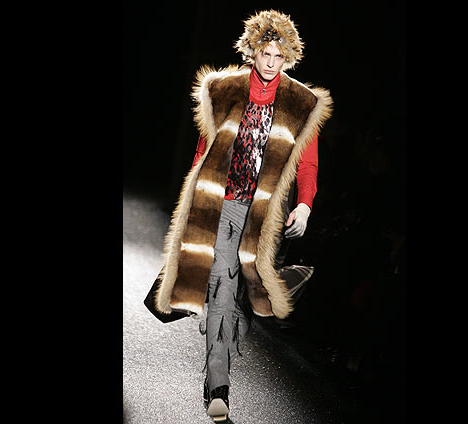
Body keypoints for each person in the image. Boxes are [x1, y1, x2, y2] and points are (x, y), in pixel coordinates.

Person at [144, 9, 333, 422]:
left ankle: (230, 326)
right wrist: (191, 203)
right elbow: (204, 151)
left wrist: (305, 204)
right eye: (265, 53)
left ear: (288, 57)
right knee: (221, 288)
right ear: (252, 51)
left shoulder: (301, 104)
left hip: (264, 217)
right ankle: (219, 387)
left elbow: (308, 164)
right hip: (223, 204)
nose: (271, 62)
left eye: (279, 56)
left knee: (245, 300)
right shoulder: (225, 89)